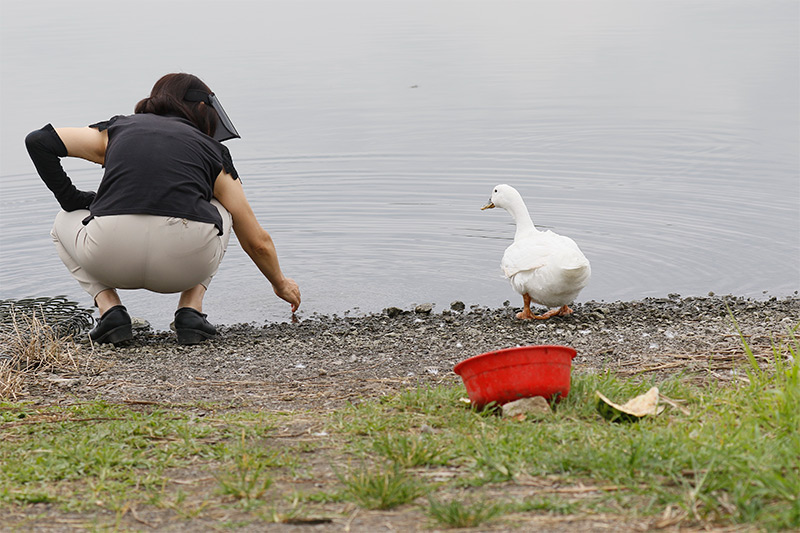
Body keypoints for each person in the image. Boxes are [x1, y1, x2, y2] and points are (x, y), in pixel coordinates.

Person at [25, 73, 301, 345]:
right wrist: (280, 284)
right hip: (183, 265)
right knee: (221, 210)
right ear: (202, 108)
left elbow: (38, 141)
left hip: (109, 256)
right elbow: (257, 242)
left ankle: (110, 310)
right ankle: (191, 311)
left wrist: (72, 199)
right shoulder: (212, 150)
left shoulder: (117, 130)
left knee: (64, 219)